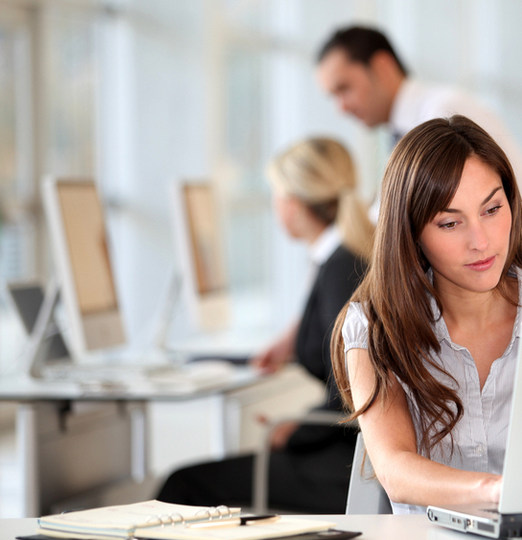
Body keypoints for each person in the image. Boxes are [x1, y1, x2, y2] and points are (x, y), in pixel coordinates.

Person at [330, 115, 522, 514]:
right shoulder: (376, 328)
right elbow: (394, 469)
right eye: (450, 223)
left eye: (492, 209)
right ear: (411, 233)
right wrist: (500, 491)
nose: (480, 241)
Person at [157, 137, 374, 512]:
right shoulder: (346, 257)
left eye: (276, 193)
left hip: (341, 466)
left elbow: (350, 391)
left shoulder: (341, 268)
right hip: (345, 454)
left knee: (183, 485)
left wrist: (296, 431)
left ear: (292, 202)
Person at [315, 26, 522, 281]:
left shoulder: (442, 114)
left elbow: (397, 218)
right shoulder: (411, 124)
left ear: (382, 66)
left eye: (344, 88)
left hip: (521, 279)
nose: (342, 108)